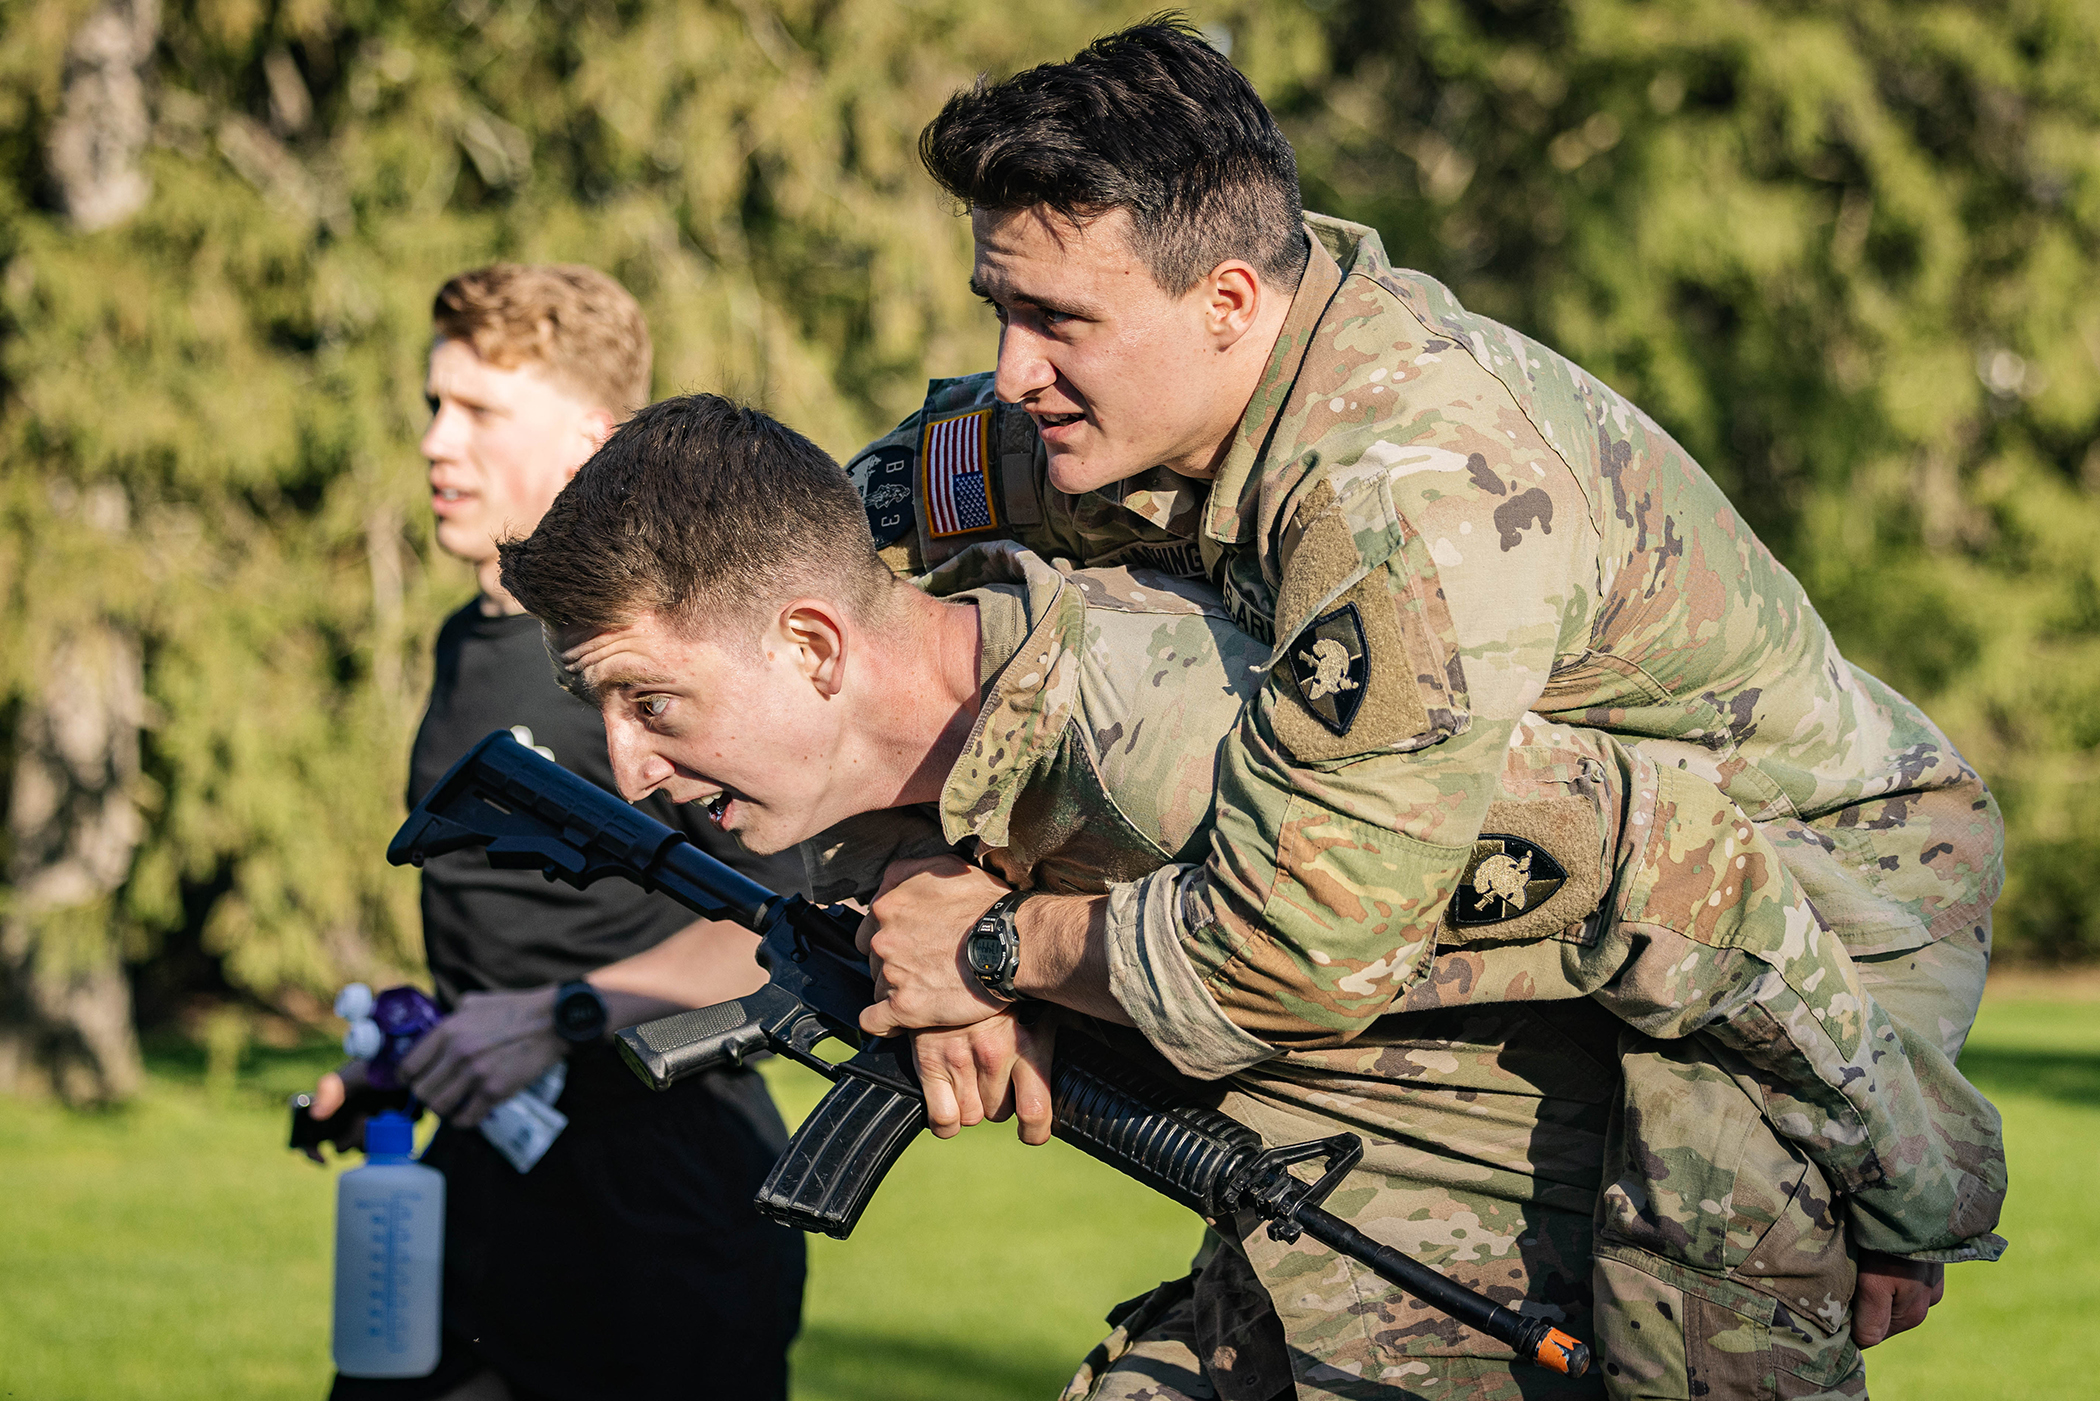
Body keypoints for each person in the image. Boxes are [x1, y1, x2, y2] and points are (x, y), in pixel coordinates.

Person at [830, 20, 2004, 1400]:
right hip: (1562, 866)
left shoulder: (1416, 498)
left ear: (1226, 298)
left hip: (1813, 887)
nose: (1014, 370)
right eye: (1001, 309)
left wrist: (986, 951)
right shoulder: (1096, 414)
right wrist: (927, 856)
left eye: (1059, 321)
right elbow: (818, 612)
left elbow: (1296, 947)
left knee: (1694, 1346)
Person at [495, 394, 2002, 1401]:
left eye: (649, 705)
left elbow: (1664, 865)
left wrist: (1907, 1181)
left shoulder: (1183, 738)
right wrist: (941, 916)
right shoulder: (844, 771)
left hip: (1561, 1262)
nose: (628, 771)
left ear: (816, 650)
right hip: (1317, 1257)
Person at [305, 266, 805, 1401]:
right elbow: (523, 932)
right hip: (483, 1189)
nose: (438, 443)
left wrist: (554, 1019)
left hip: (663, 1212)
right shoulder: (461, 642)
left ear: (590, 438)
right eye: (434, 406)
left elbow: (786, 931)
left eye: (479, 412)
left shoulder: (657, 653)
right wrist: (414, 1057)